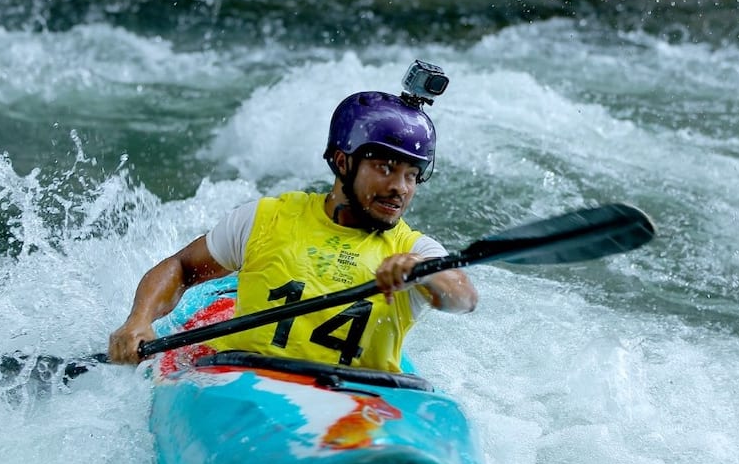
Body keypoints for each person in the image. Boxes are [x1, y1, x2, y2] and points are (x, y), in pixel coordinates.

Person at [108, 89, 477, 373]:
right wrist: (138, 320)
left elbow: (462, 297)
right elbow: (182, 268)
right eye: (385, 168)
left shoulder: (415, 249)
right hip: (244, 391)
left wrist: (423, 272)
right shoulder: (266, 219)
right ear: (342, 162)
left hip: (359, 408)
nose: (401, 187)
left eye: (412, 175)